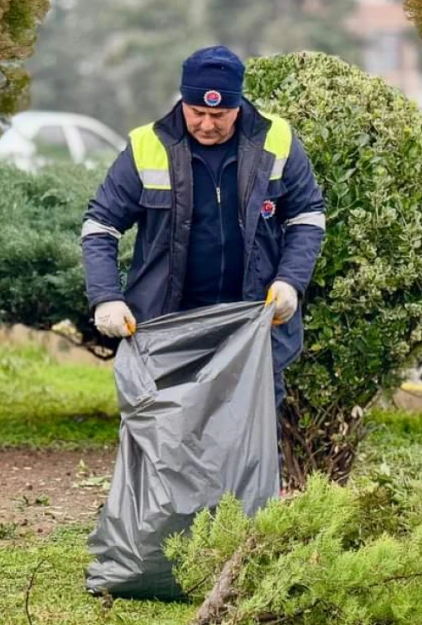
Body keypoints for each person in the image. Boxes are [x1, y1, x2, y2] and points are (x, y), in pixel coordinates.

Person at [80, 45, 326, 408]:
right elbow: (100, 226)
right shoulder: (147, 145)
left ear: (238, 105)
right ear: (182, 100)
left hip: (251, 326)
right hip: (167, 330)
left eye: (220, 114)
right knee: (170, 446)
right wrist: (106, 298)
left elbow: (306, 215)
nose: (207, 124)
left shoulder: (278, 140)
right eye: (197, 112)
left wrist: (290, 281)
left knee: (250, 448)